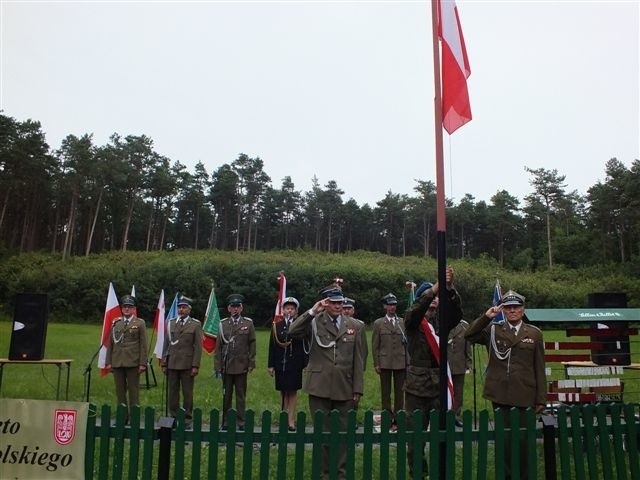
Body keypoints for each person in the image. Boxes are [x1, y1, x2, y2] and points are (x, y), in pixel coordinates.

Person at [464, 289, 546, 480]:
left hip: (525, 393)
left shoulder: (534, 334)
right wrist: (487, 317)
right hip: (500, 394)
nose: (512, 311)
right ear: (503, 310)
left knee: (524, 441)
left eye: (516, 307)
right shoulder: (494, 330)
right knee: (506, 441)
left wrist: (541, 398)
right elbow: (469, 335)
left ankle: (525, 475)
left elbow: (539, 368)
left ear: (523, 309)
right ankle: (507, 476)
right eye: (508, 308)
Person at [288, 284, 365, 479]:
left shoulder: (355, 325)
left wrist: (357, 388)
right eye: (333, 302)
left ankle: (340, 474)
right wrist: (312, 311)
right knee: (322, 434)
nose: (339, 305)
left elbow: (359, 360)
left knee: (342, 435)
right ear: (325, 303)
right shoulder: (314, 322)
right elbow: (292, 331)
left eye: (340, 302)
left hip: (345, 386)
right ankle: (323, 473)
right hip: (319, 386)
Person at [403, 267, 462, 479]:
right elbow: (414, 313)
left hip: (439, 388)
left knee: (441, 436)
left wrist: (448, 288)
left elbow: (457, 314)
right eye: (432, 297)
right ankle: (420, 473)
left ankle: (439, 472)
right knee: (415, 438)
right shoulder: (413, 320)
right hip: (417, 389)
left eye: (437, 298)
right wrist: (432, 290)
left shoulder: (441, 321)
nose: (435, 301)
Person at [214, 293, 256, 431]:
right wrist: (218, 366)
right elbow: (219, 347)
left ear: (241, 308)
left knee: (240, 395)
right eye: (233, 306)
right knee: (226, 395)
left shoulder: (248, 323)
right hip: (227, 365)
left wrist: (251, 363)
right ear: (229, 308)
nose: (235, 309)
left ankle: (241, 421)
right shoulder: (223, 324)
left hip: (241, 365)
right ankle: (225, 421)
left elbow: (252, 344)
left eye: (238, 306)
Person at [267, 296, 308, 431]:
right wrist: (271, 365)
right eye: (287, 308)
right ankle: (283, 417)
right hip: (280, 363)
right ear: (283, 310)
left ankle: (291, 420)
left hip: (295, 363)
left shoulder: (299, 325)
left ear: (296, 311)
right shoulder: (276, 326)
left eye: (292, 308)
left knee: (292, 391)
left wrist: (305, 364)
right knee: (283, 391)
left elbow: (304, 346)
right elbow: (272, 346)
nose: (289, 311)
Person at [161, 295, 202, 428]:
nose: (181, 310)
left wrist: (195, 365)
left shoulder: (195, 324)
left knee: (187, 393)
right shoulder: (171, 323)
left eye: (184, 307)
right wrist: (164, 362)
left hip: (187, 364)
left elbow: (198, 347)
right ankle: (173, 417)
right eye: (180, 307)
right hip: (172, 362)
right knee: (172, 392)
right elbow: (166, 344)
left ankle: (187, 419)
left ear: (189, 310)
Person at [105, 294, 147, 422]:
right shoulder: (116, 323)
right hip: (117, 361)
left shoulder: (139, 323)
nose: (127, 309)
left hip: (133, 362)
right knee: (120, 391)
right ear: (122, 309)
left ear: (134, 309)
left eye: (129, 307)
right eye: (125, 307)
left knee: (133, 391)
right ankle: (122, 417)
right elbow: (110, 344)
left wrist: (142, 363)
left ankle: (134, 418)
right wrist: (108, 362)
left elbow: (143, 344)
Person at [371, 293, 407, 430]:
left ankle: (398, 418)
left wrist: (407, 362)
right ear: (385, 306)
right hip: (385, 362)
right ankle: (387, 418)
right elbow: (375, 345)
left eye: (394, 305)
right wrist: (376, 363)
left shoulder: (402, 322)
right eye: (390, 305)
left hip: (400, 361)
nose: (392, 307)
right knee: (385, 392)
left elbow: (406, 344)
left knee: (400, 392)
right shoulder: (379, 323)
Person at [447, 318, 472, 427]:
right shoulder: (443, 323)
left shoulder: (464, 326)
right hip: (445, 365)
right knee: (444, 391)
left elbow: (468, 347)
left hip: (459, 364)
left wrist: (468, 364)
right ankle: (443, 414)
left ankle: (456, 416)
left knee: (458, 392)